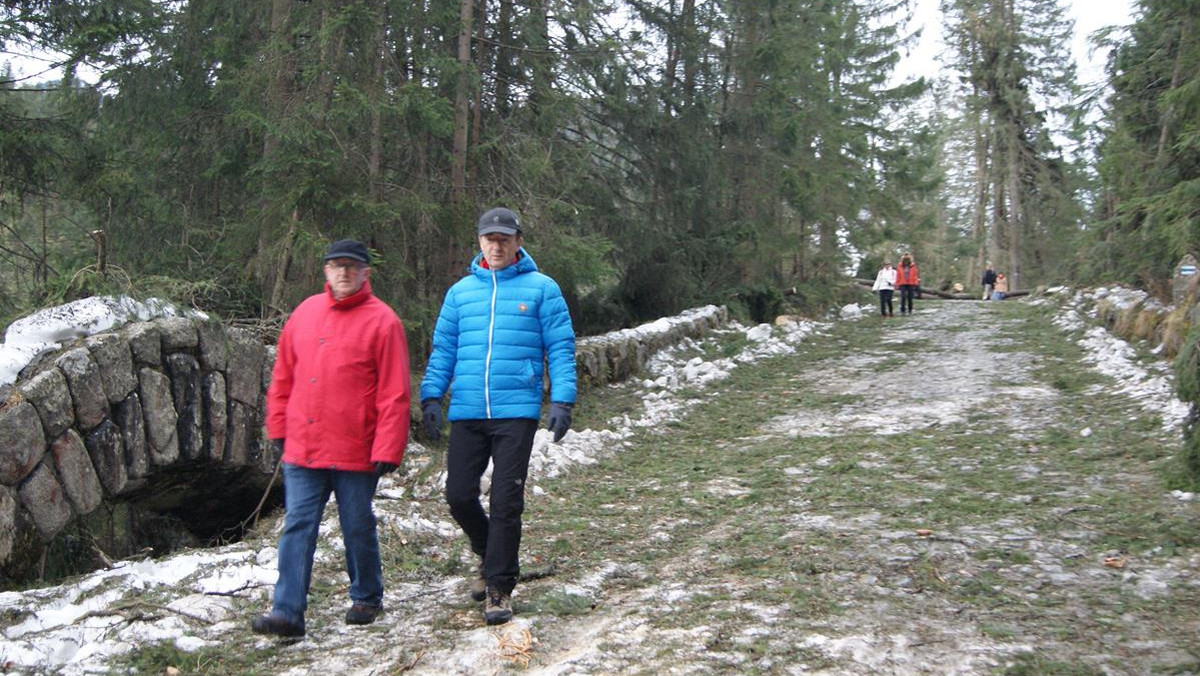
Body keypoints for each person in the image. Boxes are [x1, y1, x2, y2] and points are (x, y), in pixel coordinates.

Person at [420, 206, 577, 626]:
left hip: (516, 411)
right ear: (480, 243)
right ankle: (488, 553)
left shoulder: (542, 289)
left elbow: (560, 349)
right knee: (458, 496)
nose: (497, 246)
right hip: (468, 410)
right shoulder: (460, 294)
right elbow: (444, 351)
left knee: (507, 501)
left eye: (504, 239)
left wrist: (562, 401)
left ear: (518, 242)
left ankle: (499, 587)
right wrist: (431, 396)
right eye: (490, 239)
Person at [251, 239, 411, 638]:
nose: (343, 273)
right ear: (325, 271)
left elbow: (394, 391)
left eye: (351, 267)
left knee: (356, 524)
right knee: (297, 526)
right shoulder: (304, 314)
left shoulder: (384, 322)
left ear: (365, 274)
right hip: (304, 446)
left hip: (357, 447)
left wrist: (389, 445)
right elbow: (283, 375)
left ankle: (367, 595)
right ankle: (287, 612)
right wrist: (278, 427)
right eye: (336, 266)